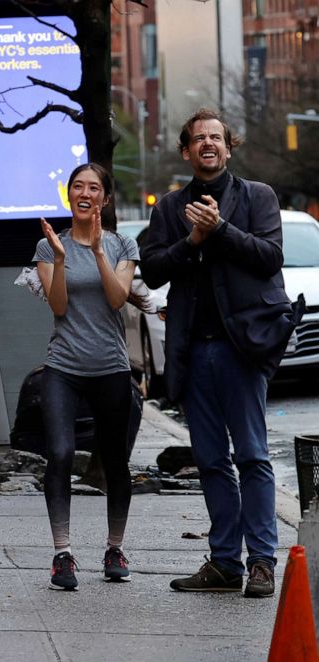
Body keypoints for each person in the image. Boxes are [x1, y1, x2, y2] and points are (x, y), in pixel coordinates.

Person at [141, 109, 300, 599]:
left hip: (242, 349)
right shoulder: (170, 209)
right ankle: (226, 562)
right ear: (186, 151)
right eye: (198, 139)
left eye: (216, 137)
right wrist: (191, 240)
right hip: (192, 350)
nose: (208, 144)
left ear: (228, 148)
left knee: (252, 456)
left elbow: (270, 256)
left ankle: (262, 563)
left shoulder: (258, 197)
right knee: (211, 462)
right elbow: (151, 269)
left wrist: (221, 229)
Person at [34, 163, 139, 591]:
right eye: (77, 186)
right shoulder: (48, 247)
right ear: (69, 195)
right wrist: (60, 259)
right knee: (59, 453)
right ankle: (62, 553)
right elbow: (58, 307)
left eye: (93, 188)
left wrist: (97, 251)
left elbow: (117, 300)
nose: (85, 192)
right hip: (64, 367)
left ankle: (115, 547)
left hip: (110, 368)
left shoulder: (122, 244)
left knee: (114, 462)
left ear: (104, 199)